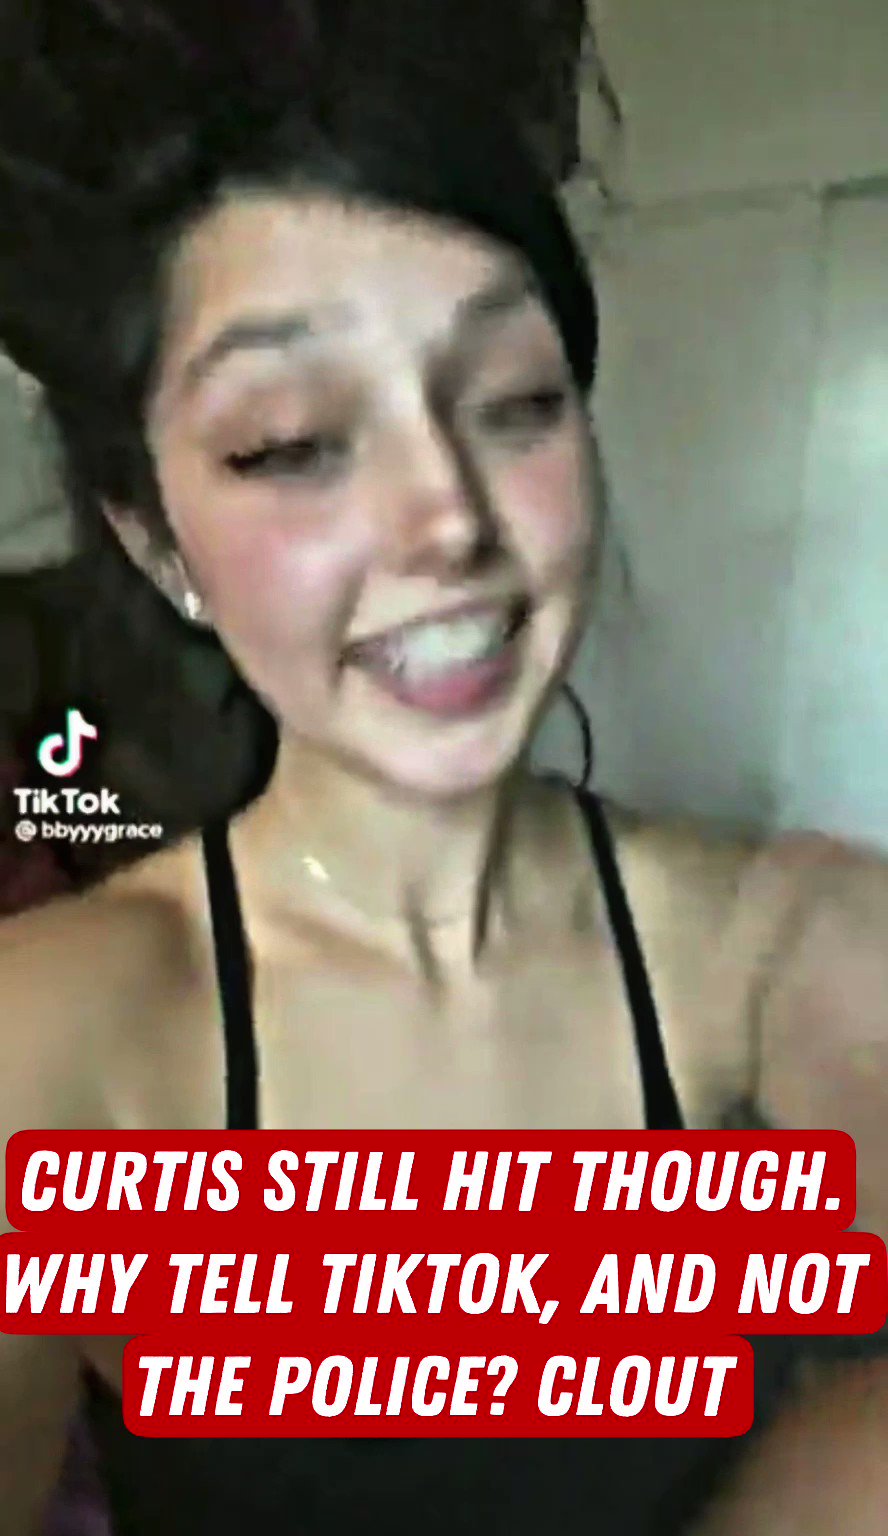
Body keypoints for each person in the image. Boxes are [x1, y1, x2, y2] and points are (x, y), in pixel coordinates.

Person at [0, 4, 886, 1534]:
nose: (451, 521)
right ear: (155, 542)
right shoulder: (58, 1043)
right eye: (292, 442)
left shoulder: (784, 952)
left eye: (515, 402)